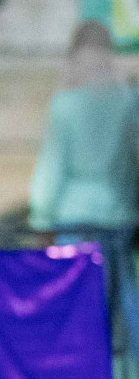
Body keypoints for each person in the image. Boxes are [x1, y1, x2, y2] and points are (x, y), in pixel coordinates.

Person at [30, 21, 139, 234]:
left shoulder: (64, 104)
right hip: (119, 214)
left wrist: (41, 218)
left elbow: (53, 166)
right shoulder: (128, 101)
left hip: (73, 216)